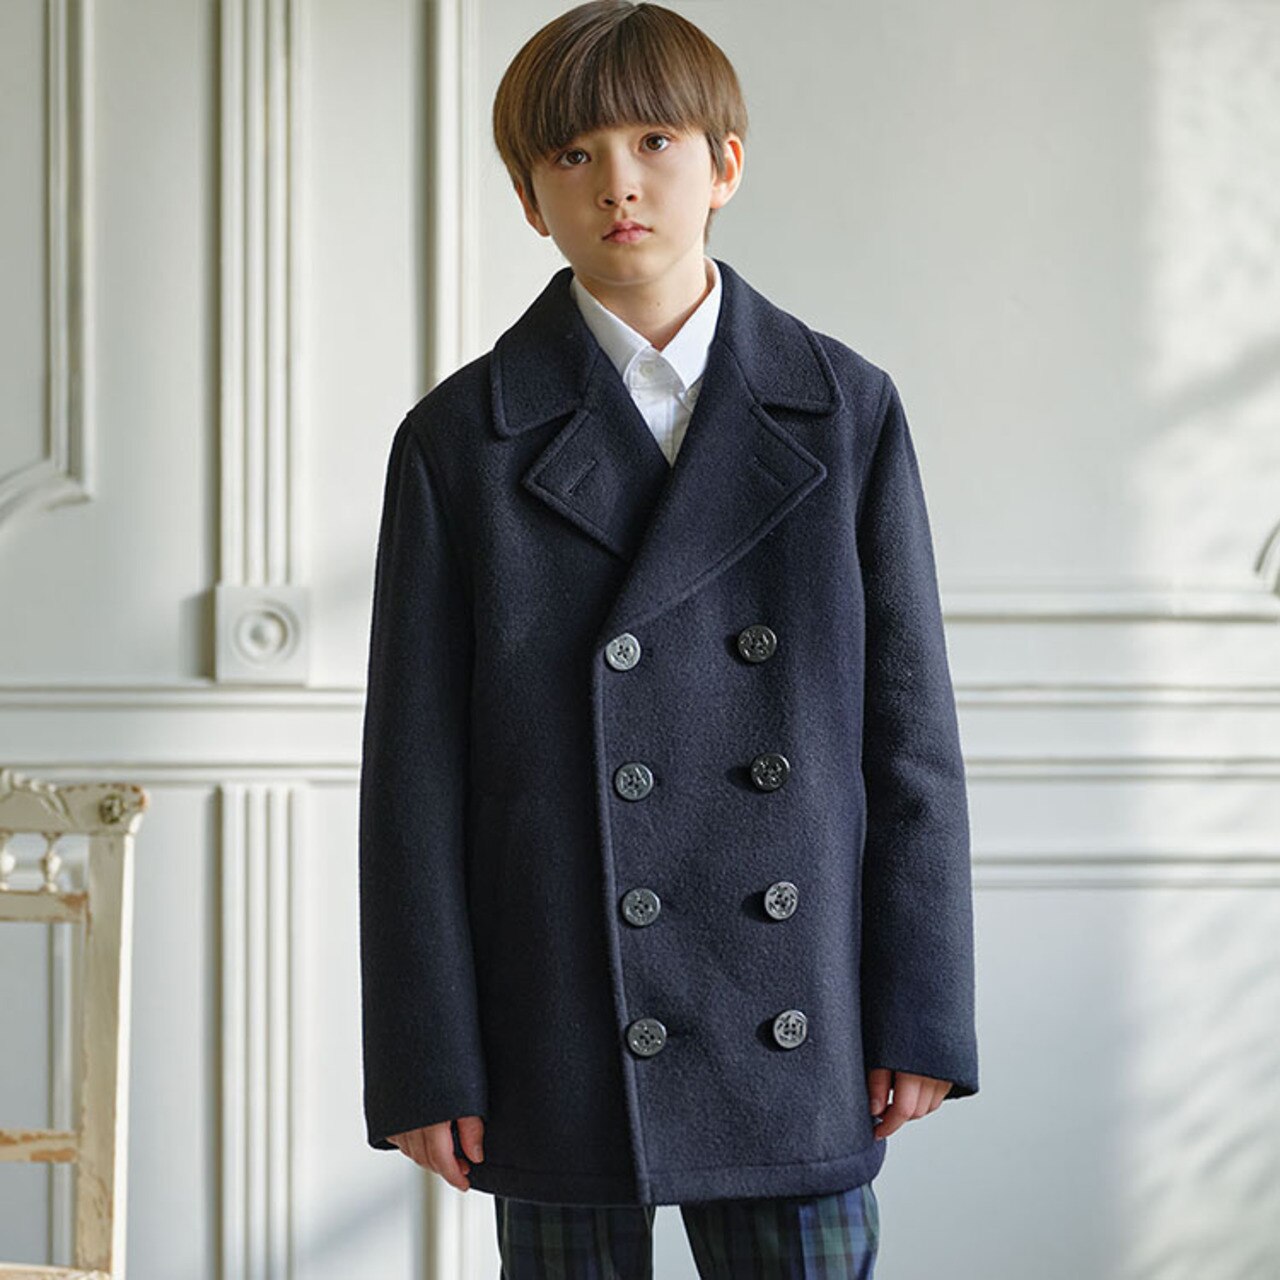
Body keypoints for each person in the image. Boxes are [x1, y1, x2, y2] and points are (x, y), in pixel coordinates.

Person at [357, 2, 980, 1276]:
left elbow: (907, 738)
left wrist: (919, 1010)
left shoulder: (842, 408)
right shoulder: (459, 439)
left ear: (723, 163)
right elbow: (413, 779)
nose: (618, 183)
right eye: (572, 154)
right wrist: (427, 1057)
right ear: (528, 197)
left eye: (653, 141)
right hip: (558, 1002)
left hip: (793, 1018)